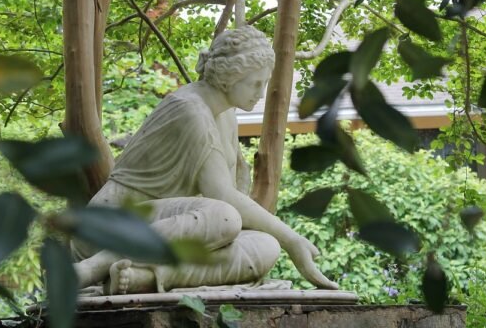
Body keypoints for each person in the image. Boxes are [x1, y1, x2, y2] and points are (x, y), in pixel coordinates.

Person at [74, 25, 338, 294]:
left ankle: (145, 278)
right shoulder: (189, 110)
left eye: (264, 83)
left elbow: (231, 196)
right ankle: (93, 268)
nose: (260, 92)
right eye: (255, 83)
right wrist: (292, 239)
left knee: (266, 245)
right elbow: (222, 197)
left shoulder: (225, 113)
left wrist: (282, 240)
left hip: (169, 226)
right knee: (224, 217)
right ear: (229, 77)